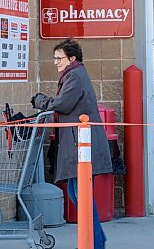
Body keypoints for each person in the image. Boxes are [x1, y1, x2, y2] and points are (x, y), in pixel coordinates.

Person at [31, 39, 111, 249]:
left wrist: (39, 100)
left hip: (82, 146)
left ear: (72, 58)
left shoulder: (75, 76)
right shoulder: (74, 74)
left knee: (81, 196)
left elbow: (62, 104)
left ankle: (94, 242)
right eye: (55, 58)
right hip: (79, 144)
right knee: (79, 195)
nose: (56, 62)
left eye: (59, 58)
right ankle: (97, 239)